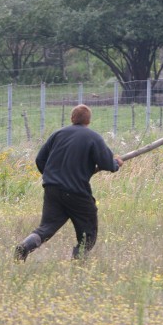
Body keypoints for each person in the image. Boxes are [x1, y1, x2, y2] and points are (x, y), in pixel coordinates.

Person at [14, 104, 123, 261]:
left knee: (46, 228)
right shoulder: (93, 137)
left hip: (52, 189)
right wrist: (116, 164)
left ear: (72, 119)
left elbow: (40, 159)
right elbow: (106, 163)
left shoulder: (57, 134)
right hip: (76, 192)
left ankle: (24, 247)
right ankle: (78, 263)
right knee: (88, 231)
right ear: (89, 121)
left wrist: (53, 177)